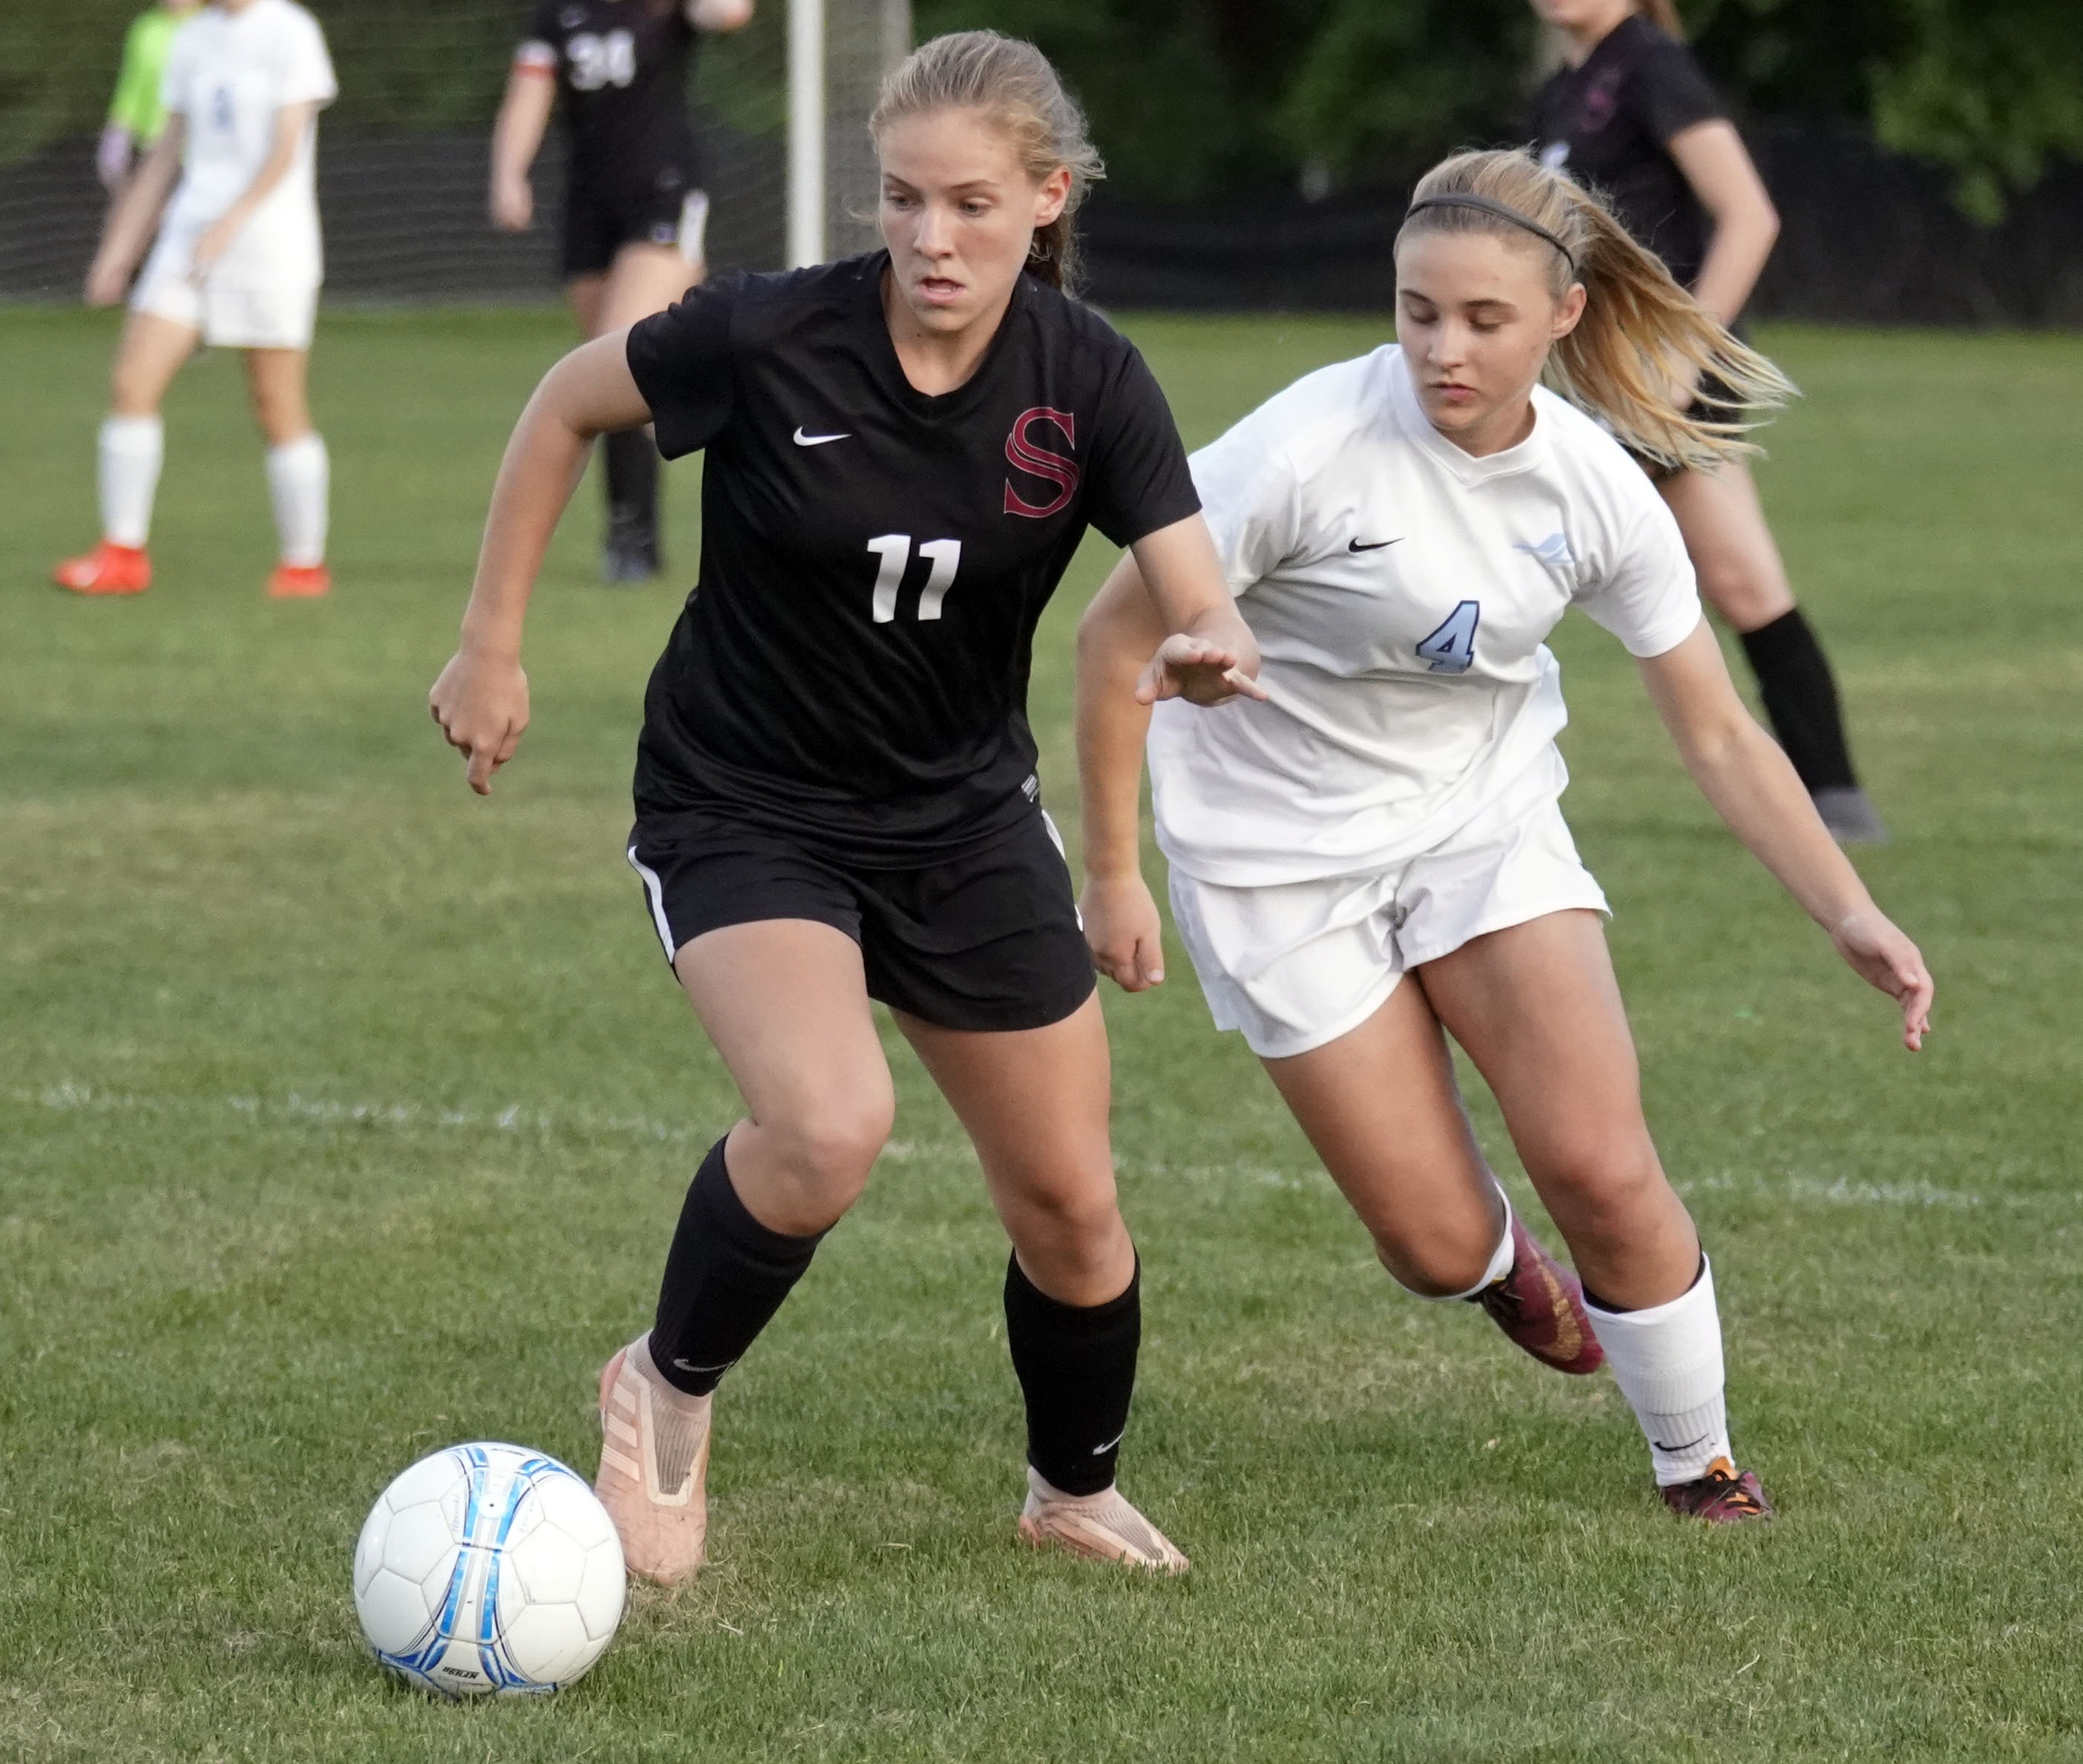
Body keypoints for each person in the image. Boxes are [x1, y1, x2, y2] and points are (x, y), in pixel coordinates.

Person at [430, 30, 1263, 1583]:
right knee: (827, 1124)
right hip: (743, 801)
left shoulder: (1088, 378)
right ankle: (661, 1391)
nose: (932, 239)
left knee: (1074, 1206)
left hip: (957, 821)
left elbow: (1190, 598)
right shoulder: (766, 334)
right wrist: (491, 641)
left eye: (969, 205)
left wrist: (1210, 656)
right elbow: (562, 404)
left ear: (1045, 199)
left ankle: (1070, 1489)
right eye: (902, 202)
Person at [1076, 148, 1935, 1523]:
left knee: (1598, 1158)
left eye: (1482, 319)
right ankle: (1498, 1270)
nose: (1440, 348)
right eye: (1417, 311)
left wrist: (1848, 910)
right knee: (1425, 1242)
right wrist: (1112, 868)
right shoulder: (1300, 450)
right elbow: (1112, 631)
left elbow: (1715, 729)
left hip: (1476, 820)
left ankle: (1696, 1462)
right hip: (1270, 858)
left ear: (1563, 316)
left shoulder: (1592, 485)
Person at [1530, 0, 1889, 844]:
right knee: (1739, 583)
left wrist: (1686, 351)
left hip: (1664, 375)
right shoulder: (1563, 89)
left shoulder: (1649, 64)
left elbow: (1749, 214)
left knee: (1522, 544)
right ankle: (1834, 798)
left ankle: (1835, 802)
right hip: (1611, 374)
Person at [55, 0, 337, 600]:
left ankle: (303, 564)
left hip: (268, 244)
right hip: (188, 241)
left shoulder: (291, 30)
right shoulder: (191, 40)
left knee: (275, 404)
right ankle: (122, 552)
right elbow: (164, 155)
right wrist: (120, 250)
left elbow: (286, 147)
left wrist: (232, 222)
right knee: (131, 383)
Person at [490, 0, 755, 582]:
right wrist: (509, 172)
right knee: (606, 377)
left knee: (623, 346)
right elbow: (529, 94)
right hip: (589, 206)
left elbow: (730, 13)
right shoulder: (557, 15)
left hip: (665, 194)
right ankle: (631, 530)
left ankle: (633, 542)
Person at [98, 0, 205, 194]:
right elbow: (131, 89)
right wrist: (118, 133)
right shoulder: (145, 29)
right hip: (154, 152)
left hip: (201, 156)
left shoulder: (212, 27)